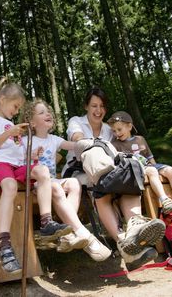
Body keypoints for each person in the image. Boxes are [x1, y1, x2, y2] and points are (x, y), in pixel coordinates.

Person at [62, 87, 165, 271]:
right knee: (102, 184)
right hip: (79, 171)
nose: (98, 110)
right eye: (94, 105)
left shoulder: (109, 130)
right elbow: (78, 139)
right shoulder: (76, 121)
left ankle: (134, 226)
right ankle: (123, 242)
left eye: (102, 106)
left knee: (125, 177)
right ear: (86, 106)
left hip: (108, 170)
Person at [0, 78, 72, 274]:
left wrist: (32, 155)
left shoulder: (10, 125)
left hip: (16, 164)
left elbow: (18, 153)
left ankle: (46, 221)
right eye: (15, 106)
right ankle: (4, 244)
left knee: (42, 171)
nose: (16, 111)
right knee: (10, 186)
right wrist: (10, 133)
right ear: (3, 99)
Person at [21, 99, 111, 261]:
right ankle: (80, 232)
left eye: (48, 111)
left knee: (74, 183)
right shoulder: (26, 141)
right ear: (32, 122)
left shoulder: (54, 139)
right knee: (55, 188)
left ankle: (67, 232)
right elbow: (18, 164)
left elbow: (75, 145)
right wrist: (31, 156)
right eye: (41, 113)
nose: (48, 114)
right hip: (36, 184)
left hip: (53, 181)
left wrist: (93, 142)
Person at [107, 110, 172, 215]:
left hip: (149, 165)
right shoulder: (115, 145)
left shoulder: (140, 139)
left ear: (129, 127)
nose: (117, 133)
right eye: (114, 131)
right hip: (136, 169)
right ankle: (165, 201)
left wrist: (159, 170)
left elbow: (150, 158)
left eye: (119, 129)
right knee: (152, 170)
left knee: (170, 170)